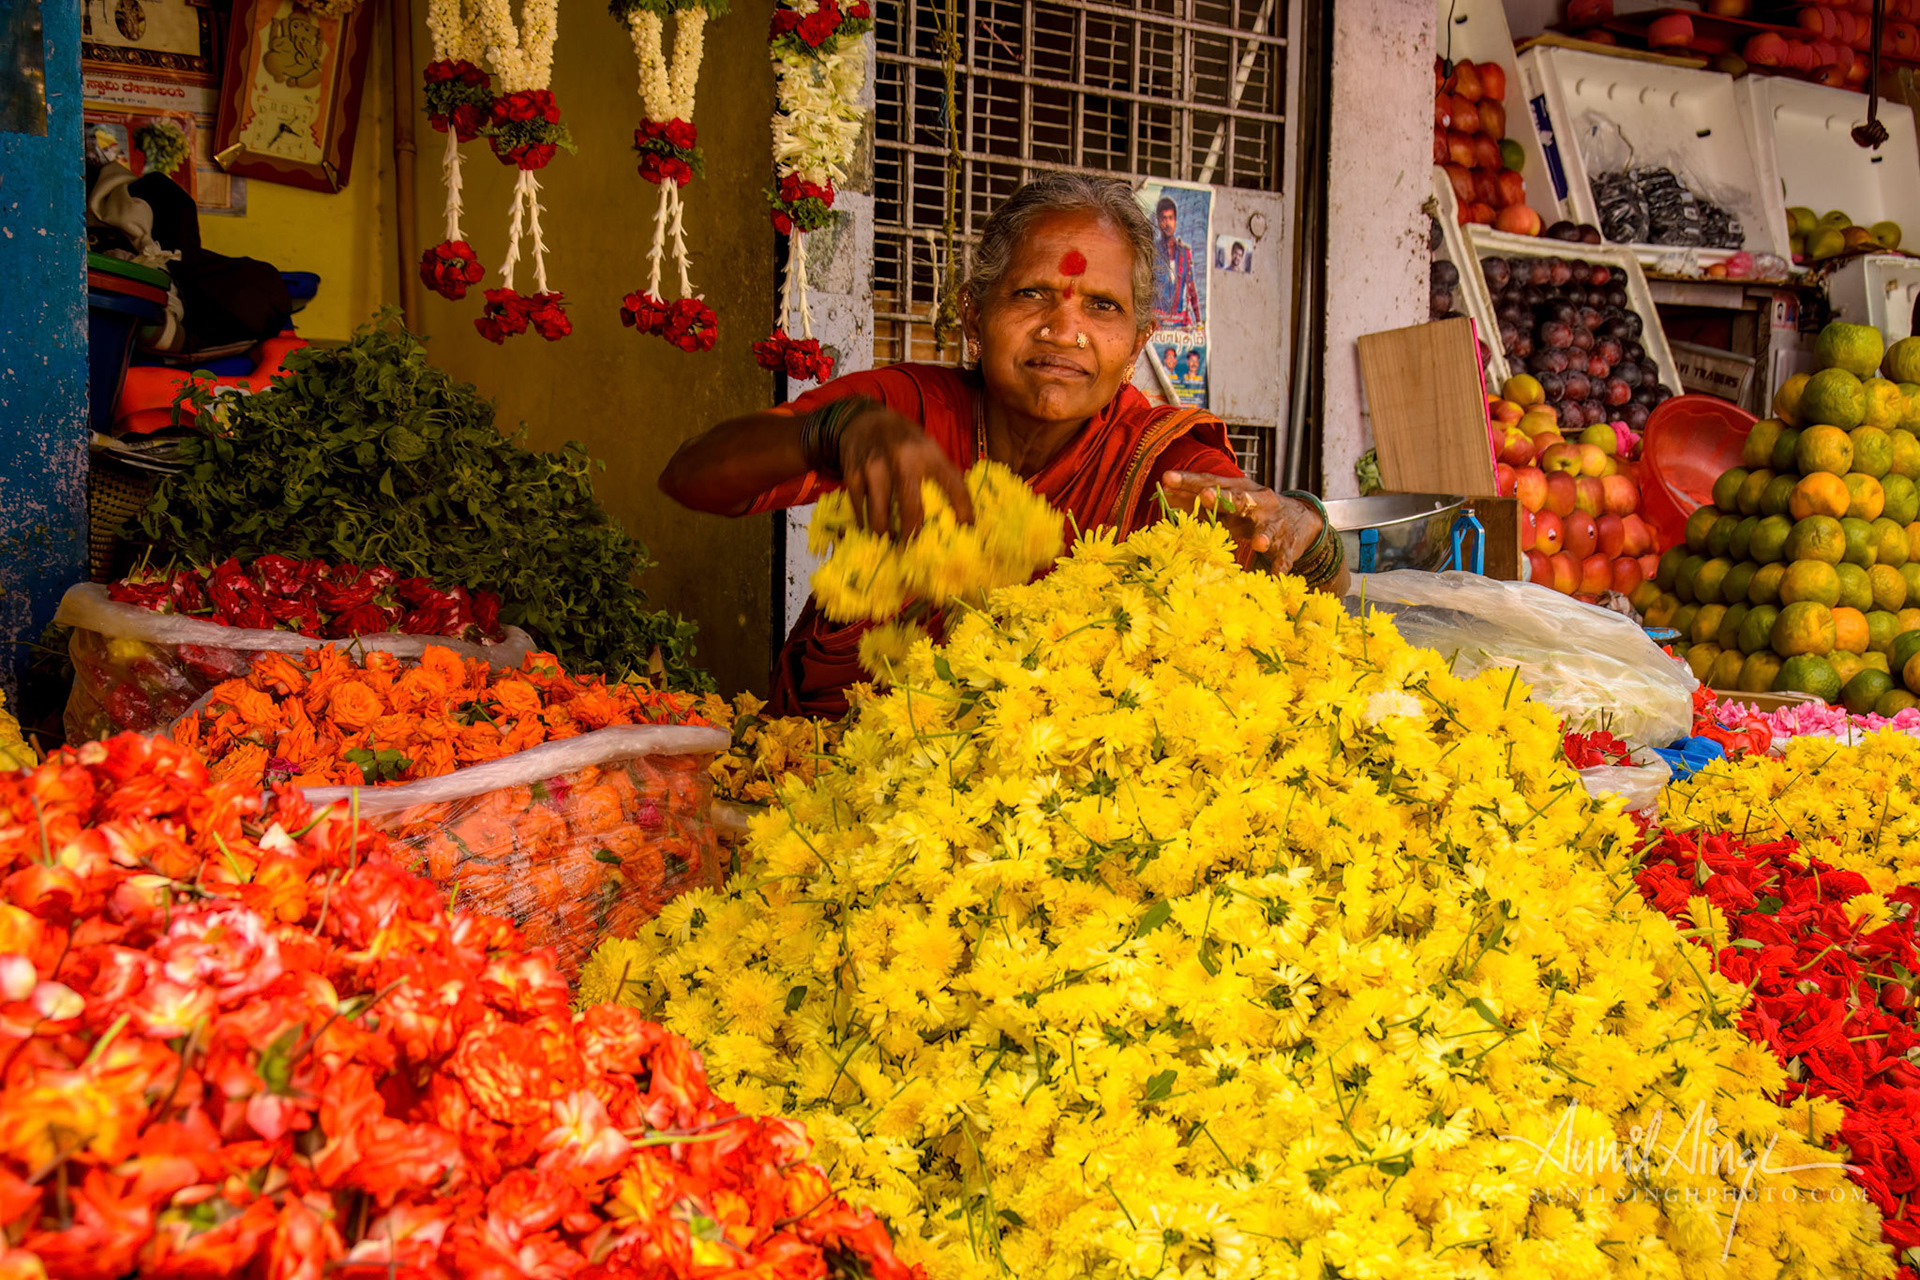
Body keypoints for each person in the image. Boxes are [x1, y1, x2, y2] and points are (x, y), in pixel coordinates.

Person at [658, 173, 1347, 717]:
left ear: (1138, 344)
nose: (1063, 330)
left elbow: (1317, 573)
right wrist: (828, 430)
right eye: (1031, 295)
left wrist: (1299, 527)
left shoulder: (1159, 459)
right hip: (820, 776)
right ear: (973, 316)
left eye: (1101, 308)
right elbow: (690, 478)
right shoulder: (906, 411)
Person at [1151, 195, 1201, 329]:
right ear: (1158, 222)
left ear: (1176, 221)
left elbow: (1191, 290)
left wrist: (1199, 323)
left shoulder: (1185, 253)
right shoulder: (1151, 252)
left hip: (1180, 324)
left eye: (1171, 218)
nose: (1167, 224)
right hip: (1156, 324)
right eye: (1163, 219)